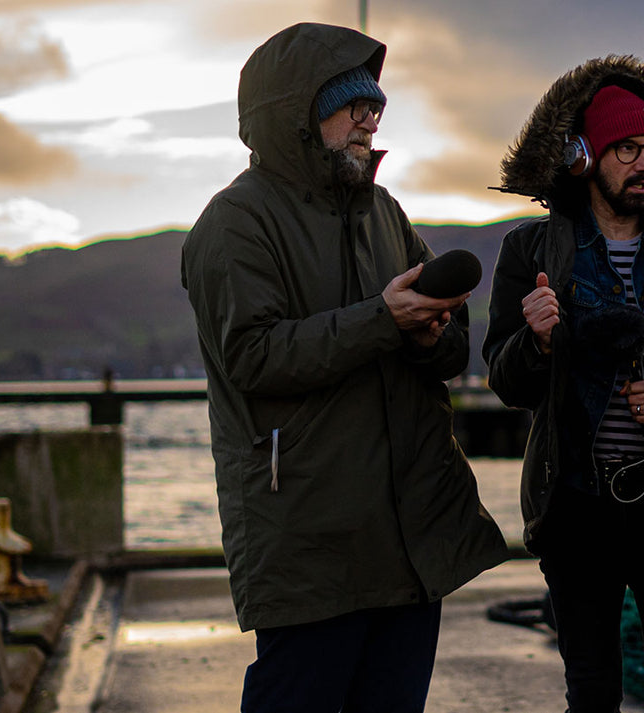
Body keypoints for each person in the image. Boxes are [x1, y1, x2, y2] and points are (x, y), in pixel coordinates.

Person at [179, 22, 509, 713]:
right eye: (352, 103)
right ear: (294, 115)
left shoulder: (383, 211)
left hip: (407, 539)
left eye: (376, 106)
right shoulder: (234, 224)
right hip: (310, 540)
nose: (370, 118)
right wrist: (383, 321)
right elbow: (252, 356)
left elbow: (449, 354)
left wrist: (428, 333)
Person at [484, 57, 644, 713]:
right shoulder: (530, 253)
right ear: (584, 155)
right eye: (627, 148)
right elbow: (504, 380)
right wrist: (535, 340)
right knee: (590, 692)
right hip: (576, 504)